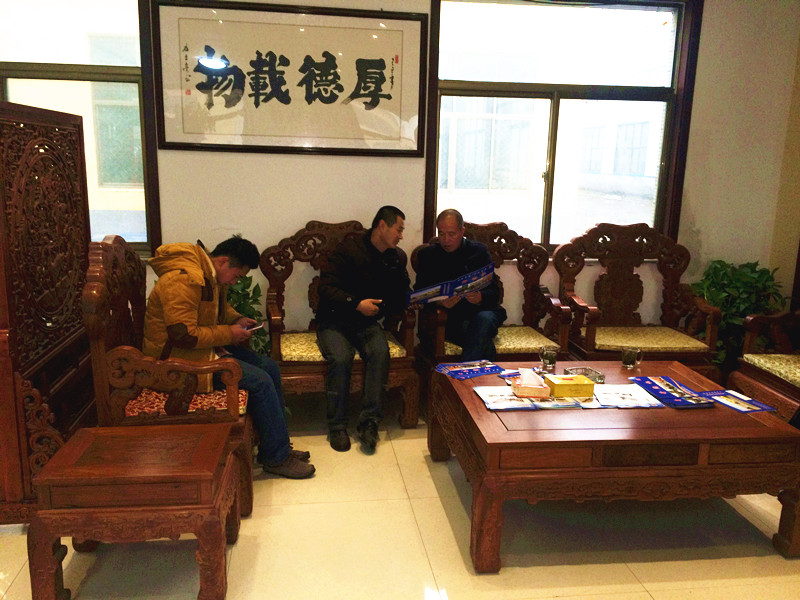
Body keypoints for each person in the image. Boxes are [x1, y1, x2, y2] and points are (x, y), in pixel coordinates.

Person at [142, 234, 315, 479]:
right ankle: (276, 459)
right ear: (223, 261)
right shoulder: (183, 279)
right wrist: (229, 333)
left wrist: (237, 319)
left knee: (269, 367)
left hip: (199, 353)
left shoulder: (207, 275)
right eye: (236, 276)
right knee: (261, 382)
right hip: (178, 364)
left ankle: (277, 446)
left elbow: (215, 309)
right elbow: (183, 335)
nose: (235, 282)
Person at [316, 206, 410, 453]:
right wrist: (356, 304)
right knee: (340, 358)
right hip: (334, 321)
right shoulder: (348, 250)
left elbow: (401, 292)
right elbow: (326, 289)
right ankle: (337, 426)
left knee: (380, 352)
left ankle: (369, 423)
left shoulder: (394, 257)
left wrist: (415, 299)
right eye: (399, 229)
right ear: (382, 226)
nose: (401, 236)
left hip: (366, 324)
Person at [414, 208, 506, 361]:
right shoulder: (428, 255)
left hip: (482, 311)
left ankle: (463, 373)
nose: (446, 240)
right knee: (482, 338)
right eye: (441, 234)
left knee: (483, 320)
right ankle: (470, 375)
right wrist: (440, 303)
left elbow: (494, 292)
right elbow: (419, 294)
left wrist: (480, 297)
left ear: (462, 231)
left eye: (451, 234)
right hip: (451, 318)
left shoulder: (478, 252)